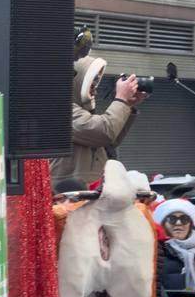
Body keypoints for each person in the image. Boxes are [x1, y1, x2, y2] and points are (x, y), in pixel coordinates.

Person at [50, 55, 147, 194]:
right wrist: (121, 99)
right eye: (91, 85)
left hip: (87, 193)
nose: (94, 90)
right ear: (77, 81)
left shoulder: (81, 111)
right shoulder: (60, 110)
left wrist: (128, 105)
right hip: (69, 197)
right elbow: (103, 132)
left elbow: (110, 140)